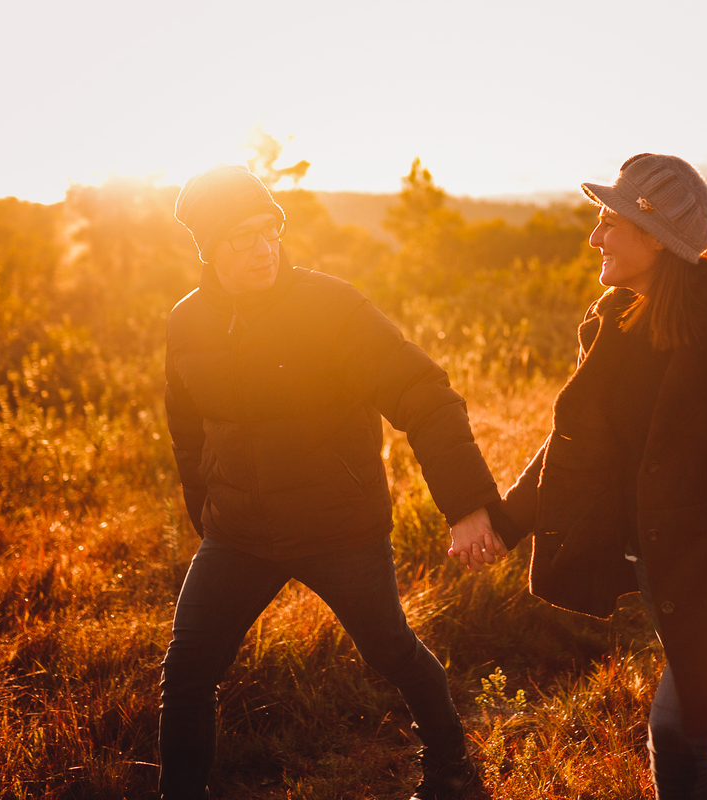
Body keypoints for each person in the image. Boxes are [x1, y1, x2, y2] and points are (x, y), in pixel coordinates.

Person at [486, 154, 707, 800]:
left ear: (654, 236)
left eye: (608, 221)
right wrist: (506, 522)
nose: (594, 236)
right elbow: (575, 445)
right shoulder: (614, 322)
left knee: (677, 730)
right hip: (662, 568)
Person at [159, 164, 506, 800]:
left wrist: (466, 506)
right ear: (206, 245)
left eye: (271, 230)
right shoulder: (186, 324)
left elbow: (425, 395)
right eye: (242, 236)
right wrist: (204, 511)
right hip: (237, 534)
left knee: (390, 649)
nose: (264, 248)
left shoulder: (332, 307)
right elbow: (188, 431)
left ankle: (452, 761)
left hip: (338, 526)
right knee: (186, 672)